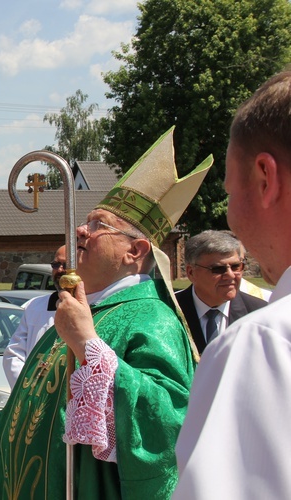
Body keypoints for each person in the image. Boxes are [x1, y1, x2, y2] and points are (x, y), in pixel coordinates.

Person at [0, 127, 212, 499]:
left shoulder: (151, 320)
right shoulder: (82, 312)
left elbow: (167, 425)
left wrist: (88, 346)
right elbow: (49, 415)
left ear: (135, 251)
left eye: (99, 225)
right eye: (87, 220)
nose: (80, 229)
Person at [174, 71, 291, 498]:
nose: (231, 276)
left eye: (228, 191)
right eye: (217, 268)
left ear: (265, 179)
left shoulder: (262, 342)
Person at [175, 230, 266, 354]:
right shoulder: (170, 310)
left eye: (236, 267)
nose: (230, 275)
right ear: (191, 272)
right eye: (218, 269)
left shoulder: (259, 314)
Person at [3, 245, 66, 388]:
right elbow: (13, 354)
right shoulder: (34, 306)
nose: (60, 270)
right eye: (56, 265)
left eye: (66, 265)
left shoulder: (95, 307)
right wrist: (26, 390)